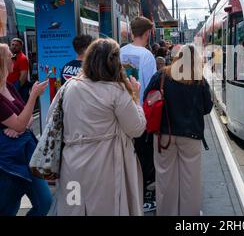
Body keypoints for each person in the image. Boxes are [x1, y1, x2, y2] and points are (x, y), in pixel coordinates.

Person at [53, 38, 147, 216]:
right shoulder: (117, 92)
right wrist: (135, 96)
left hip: (72, 164)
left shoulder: (69, 87)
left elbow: (55, 120)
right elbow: (136, 128)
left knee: (74, 209)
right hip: (105, 167)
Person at [144, 45, 213, 216]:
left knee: (165, 177)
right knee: (191, 180)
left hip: (164, 136)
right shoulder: (199, 80)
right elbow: (207, 108)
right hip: (191, 135)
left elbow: (148, 98)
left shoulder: (161, 75)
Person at [0, 44, 52, 216]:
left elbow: (27, 118)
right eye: (10, 56)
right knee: (8, 208)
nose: (14, 59)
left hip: (26, 152)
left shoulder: (8, 86)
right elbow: (23, 119)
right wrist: (33, 96)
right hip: (8, 161)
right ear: (2, 61)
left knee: (45, 202)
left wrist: (19, 127)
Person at [120, 16, 157, 213]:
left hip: (120, 111)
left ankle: (127, 195)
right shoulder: (147, 55)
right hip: (139, 111)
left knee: (127, 154)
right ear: (147, 33)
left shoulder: (119, 51)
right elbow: (151, 88)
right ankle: (143, 198)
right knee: (144, 155)